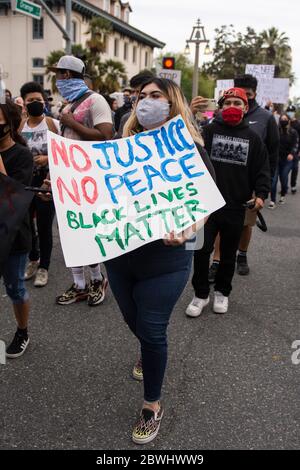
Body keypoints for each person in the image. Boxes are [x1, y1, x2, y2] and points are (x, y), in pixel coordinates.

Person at [105, 77, 215, 444]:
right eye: (141, 97)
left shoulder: (191, 150)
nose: (146, 102)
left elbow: (205, 203)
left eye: (156, 96)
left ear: (173, 104)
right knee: (133, 321)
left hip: (165, 260)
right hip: (121, 257)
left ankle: (152, 404)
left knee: (152, 329)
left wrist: (189, 227)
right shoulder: (119, 149)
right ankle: (148, 353)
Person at [186, 87, 270, 318]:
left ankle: (223, 292)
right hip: (206, 207)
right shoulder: (208, 131)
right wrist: (189, 114)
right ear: (221, 107)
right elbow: (187, 148)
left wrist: (261, 195)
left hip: (236, 206)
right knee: (200, 252)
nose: (232, 107)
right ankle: (200, 294)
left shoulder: (253, 139)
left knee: (229, 254)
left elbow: (262, 169)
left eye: (237, 103)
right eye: (228, 103)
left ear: (245, 108)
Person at [48, 55, 113, 306]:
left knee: (88, 230)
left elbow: (105, 137)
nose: (57, 79)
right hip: (67, 178)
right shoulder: (67, 104)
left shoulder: (96, 100)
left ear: (66, 75)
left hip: (89, 180)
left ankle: (97, 279)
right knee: (69, 231)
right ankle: (79, 284)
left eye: (59, 74)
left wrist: (71, 122)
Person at [208, 74, 279, 279]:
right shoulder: (218, 119)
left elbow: (272, 152)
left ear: (252, 96)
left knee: (245, 224)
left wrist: (264, 189)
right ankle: (217, 260)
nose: (234, 106)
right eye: (231, 100)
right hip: (222, 181)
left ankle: (242, 255)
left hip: (249, 183)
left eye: (245, 97)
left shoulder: (265, 118)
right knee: (220, 223)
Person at [0, 99, 33, 357]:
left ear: (10, 125)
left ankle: (22, 331)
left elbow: (11, 194)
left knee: (15, 288)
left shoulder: (22, 155)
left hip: (13, 235)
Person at [20, 81, 59, 287]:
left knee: (44, 225)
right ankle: (33, 259)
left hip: (47, 180)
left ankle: (44, 267)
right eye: (30, 100)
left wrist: (47, 159)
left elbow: (64, 154)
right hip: (25, 181)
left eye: (38, 100)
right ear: (24, 104)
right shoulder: (20, 125)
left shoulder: (53, 124)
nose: (35, 103)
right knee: (27, 224)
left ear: (44, 102)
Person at [269, 113, 298, 208]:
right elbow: (271, 143)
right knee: (273, 181)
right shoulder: (276, 130)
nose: (283, 120)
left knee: (284, 179)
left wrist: (291, 154)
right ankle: (272, 200)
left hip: (287, 160)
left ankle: (282, 194)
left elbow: (295, 145)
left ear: (288, 121)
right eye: (282, 119)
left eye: (285, 119)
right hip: (276, 159)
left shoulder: (293, 132)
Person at [115, 71, 154, 138]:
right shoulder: (126, 118)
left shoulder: (162, 119)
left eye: (138, 92)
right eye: (133, 92)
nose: (134, 96)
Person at [286, 105, 300, 194]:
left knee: (295, 168)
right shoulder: (285, 122)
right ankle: (284, 186)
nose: (290, 113)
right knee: (284, 170)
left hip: (296, 150)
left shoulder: (298, 124)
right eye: (288, 111)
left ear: (294, 112)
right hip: (285, 151)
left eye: (291, 111)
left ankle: (293, 185)